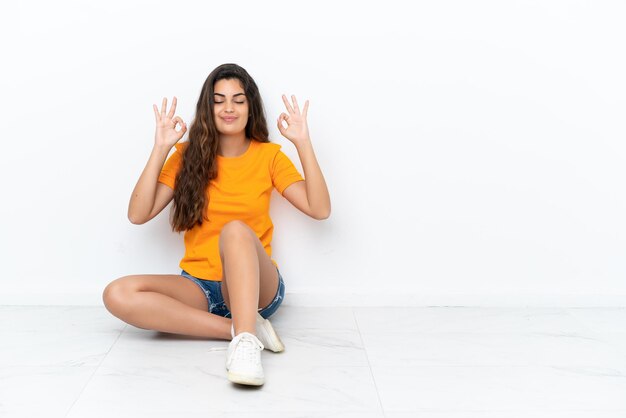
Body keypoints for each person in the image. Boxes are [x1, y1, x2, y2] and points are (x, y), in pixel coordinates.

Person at [102, 63, 331, 386]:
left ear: (250, 107)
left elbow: (319, 209)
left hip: (259, 289)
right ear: (207, 108)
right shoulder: (185, 156)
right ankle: (243, 330)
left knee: (235, 230)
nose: (228, 108)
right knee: (118, 293)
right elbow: (138, 214)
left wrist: (303, 143)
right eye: (218, 99)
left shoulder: (269, 156)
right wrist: (161, 148)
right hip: (200, 288)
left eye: (238, 100)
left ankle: (247, 338)